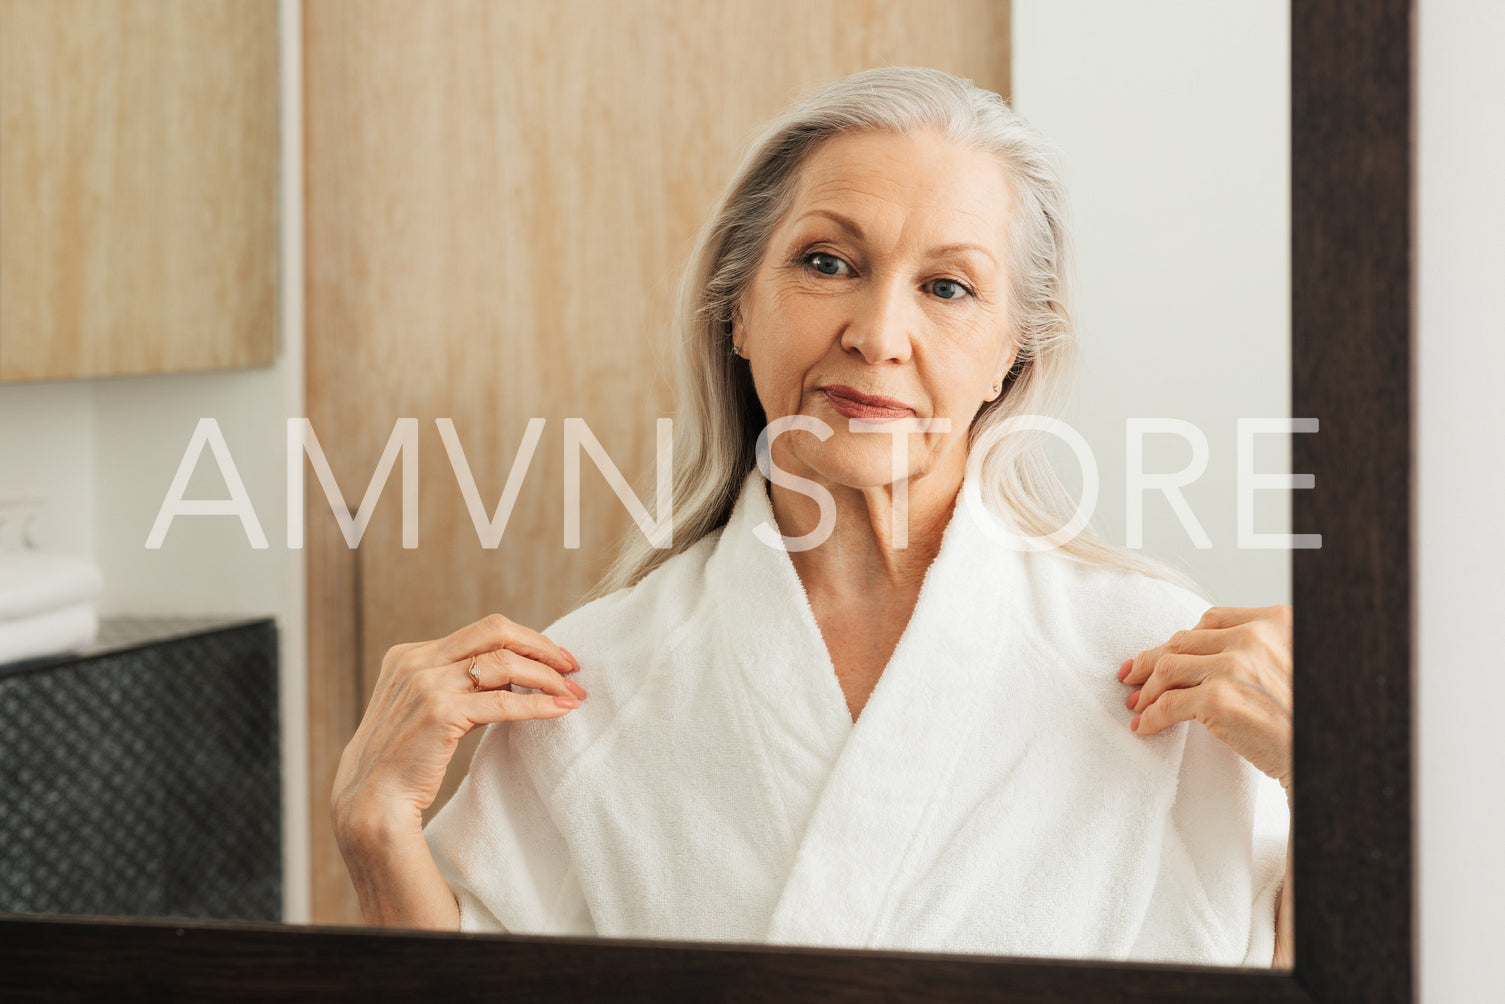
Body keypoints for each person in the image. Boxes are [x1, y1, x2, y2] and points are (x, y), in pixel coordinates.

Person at [331, 66, 1293, 966]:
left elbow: (1286, 971)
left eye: (947, 287)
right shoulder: (592, 686)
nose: (877, 334)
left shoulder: (1153, 659)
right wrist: (377, 830)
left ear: (1012, 353)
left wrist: (1328, 778)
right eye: (827, 263)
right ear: (738, 312)